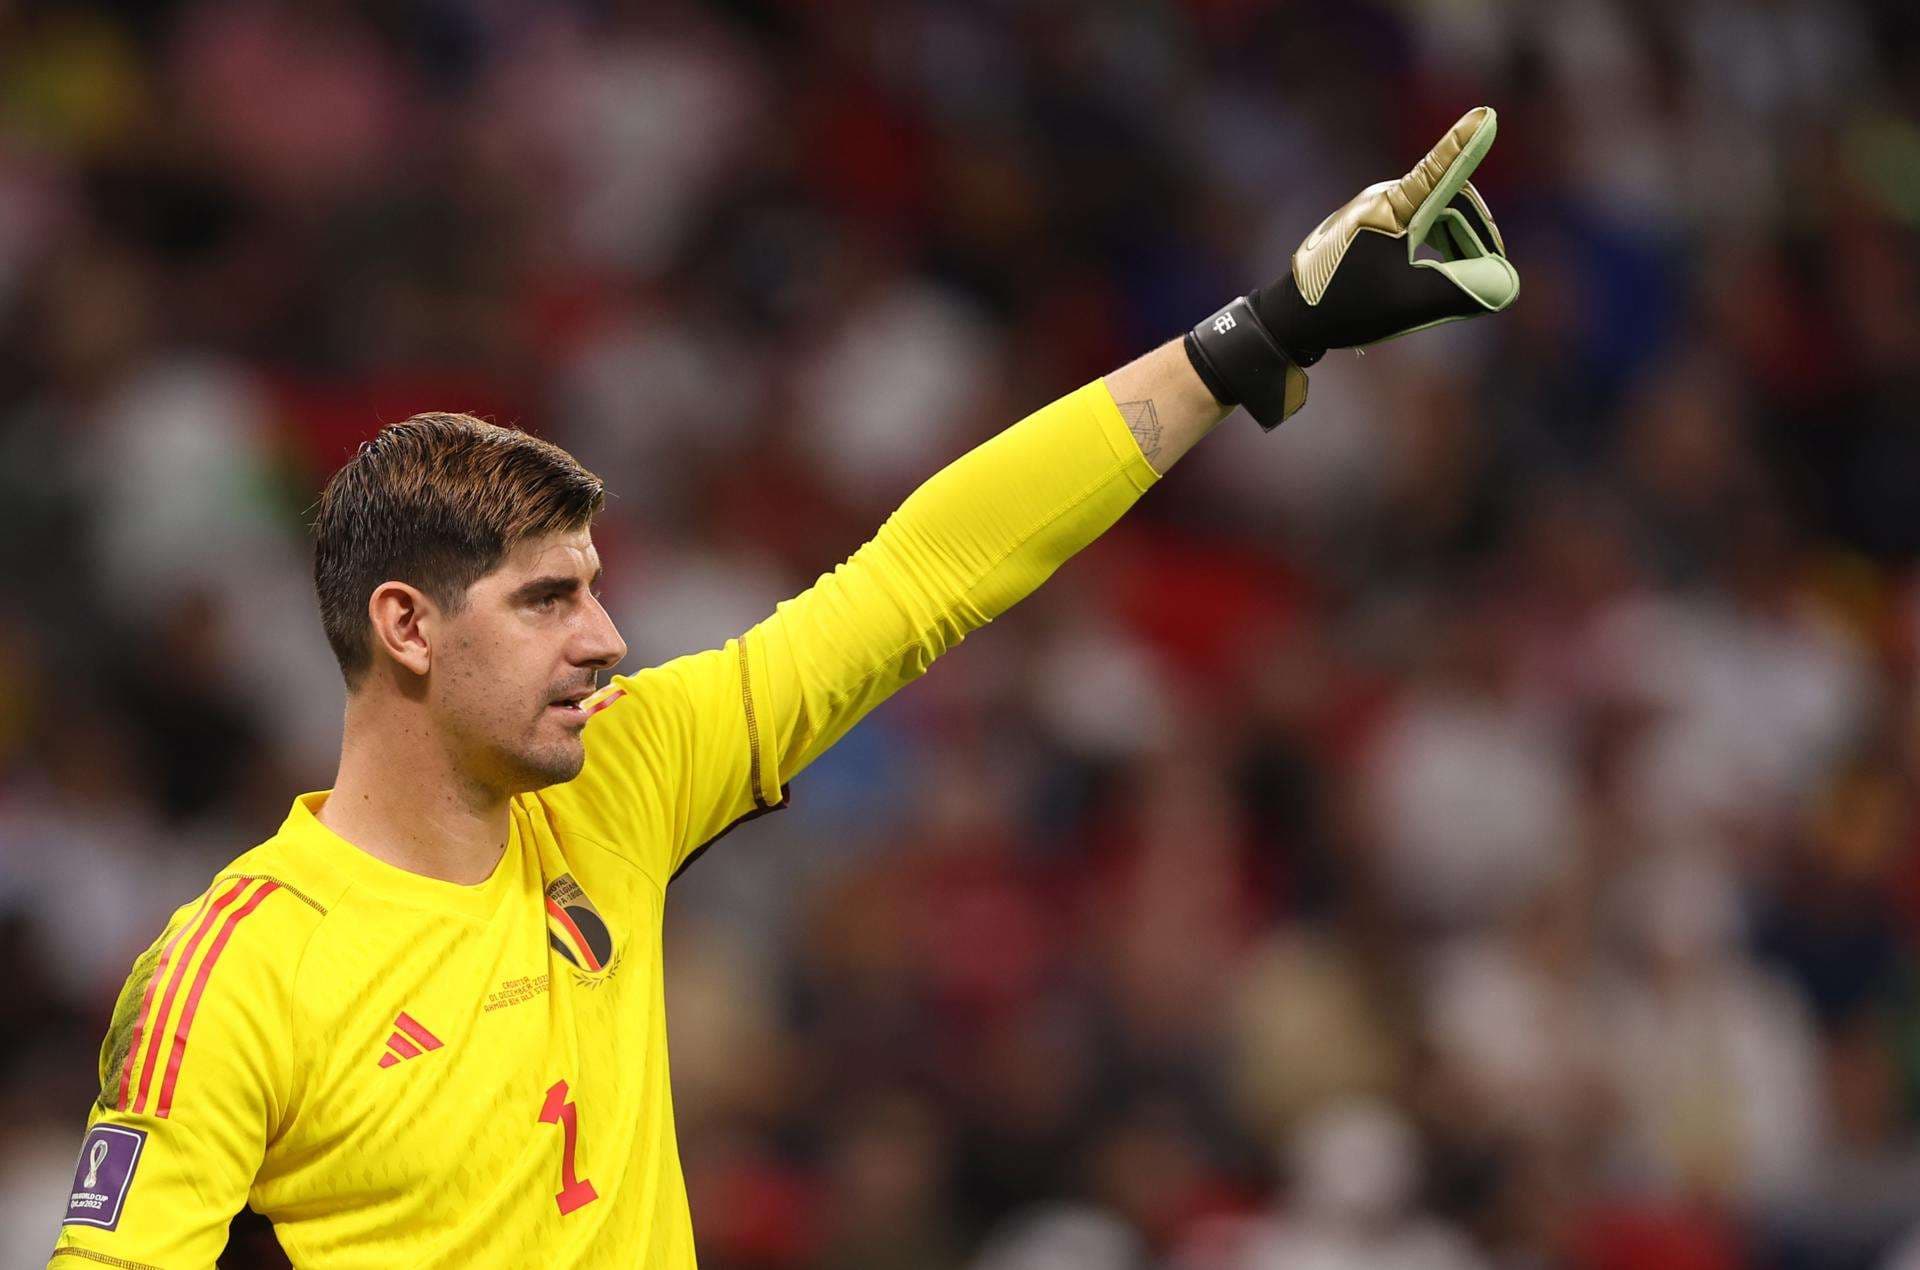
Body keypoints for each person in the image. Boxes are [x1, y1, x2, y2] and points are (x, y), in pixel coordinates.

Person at [49, 108, 1517, 1268]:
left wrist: (1254, 336)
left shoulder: (619, 783)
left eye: (596, 588)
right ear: (407, 628)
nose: (606, 638)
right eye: (548, 600)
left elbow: (921, 578)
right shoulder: (234, 975)